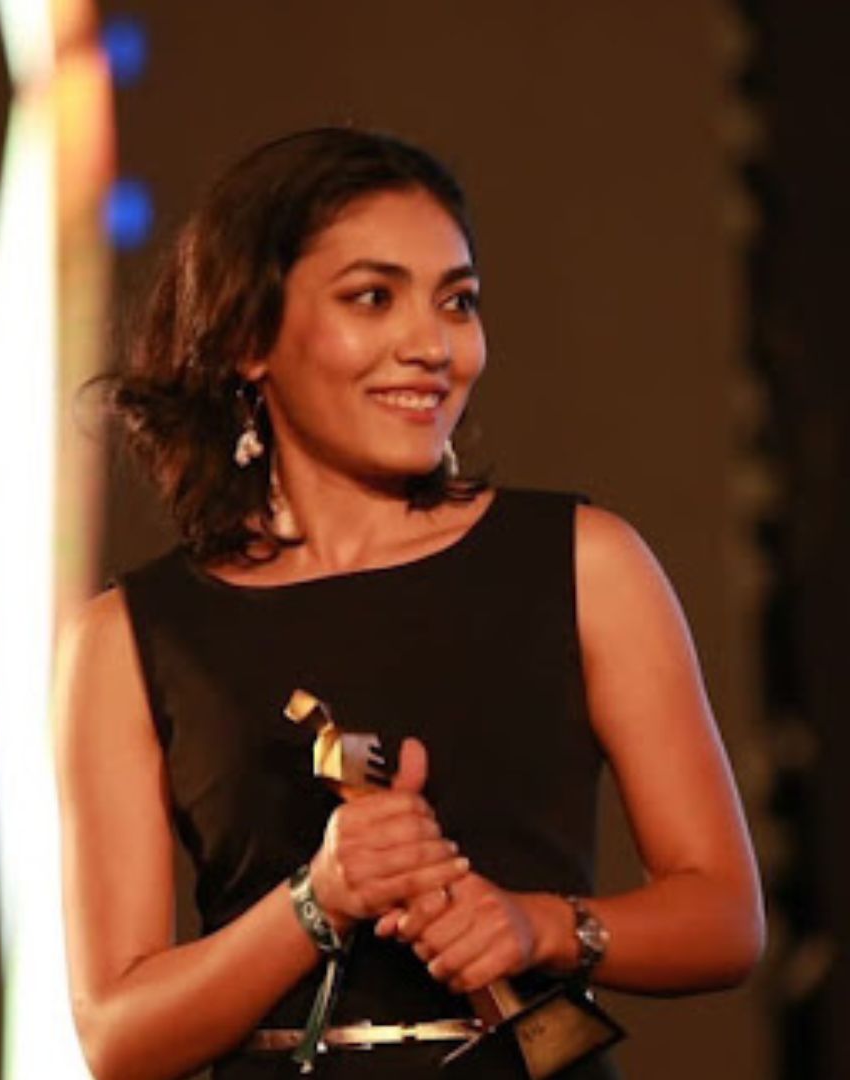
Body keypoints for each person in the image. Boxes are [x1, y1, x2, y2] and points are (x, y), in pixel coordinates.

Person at [53, 128, 763, 1079]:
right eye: (372, 298)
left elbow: (724, 915)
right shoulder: (131, 638)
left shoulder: (587, 563)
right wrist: (319, 898)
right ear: (248, 338)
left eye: (457, 301)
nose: (431, 346)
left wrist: (541, 926)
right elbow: (118, 1036)